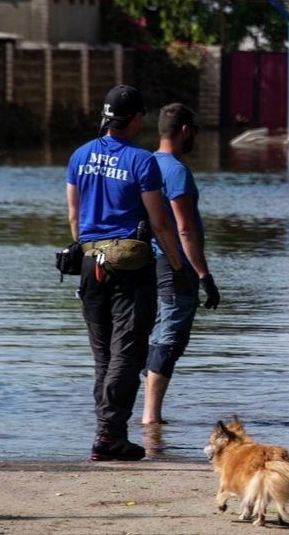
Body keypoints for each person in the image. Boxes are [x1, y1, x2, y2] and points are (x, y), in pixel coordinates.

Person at [67, 85, 191, 461]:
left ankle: (108, 433)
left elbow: (74, 217)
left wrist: (90, 250)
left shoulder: (79, 155)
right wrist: (177, 265)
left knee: (104, 355)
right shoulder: (142, 161)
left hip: (90, 264)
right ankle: (109, 436)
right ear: (136, 119)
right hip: (130, 269)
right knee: (128, 352)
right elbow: (160, 224)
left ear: (106, 117)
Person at [141, 103, 220, 425]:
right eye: (195, 132)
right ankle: (151, 417)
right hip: (175, 266)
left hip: (150, 264)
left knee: (159, 334)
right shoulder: (176, 170)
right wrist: (204, 276)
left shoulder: (144, 163)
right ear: (185, 130)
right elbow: (184, 229)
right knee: (170, 338)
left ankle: (149, 417)